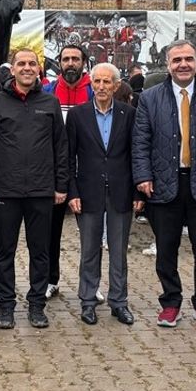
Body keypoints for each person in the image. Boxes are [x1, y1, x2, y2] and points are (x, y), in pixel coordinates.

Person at [132, 40, 196, 329]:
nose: (183, 64)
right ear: (167, 64)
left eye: (188, 59)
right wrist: (142, 176)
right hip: (163, 184)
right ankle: (170, 303)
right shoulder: (150, 98)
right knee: (166, 250)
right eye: (177, 59)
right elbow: (140, 142)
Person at [0, 48, 66, 329]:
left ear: (39, 69)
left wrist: (61, 185)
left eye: (32, 63)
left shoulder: (50, 102)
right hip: (6, 191)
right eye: (22, 63)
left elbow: (60, 147)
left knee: (40, 252)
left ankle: (37, 305)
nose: (27, 68)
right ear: (13, 69)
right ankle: (6, 306)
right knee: (3, 251)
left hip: (42, 191)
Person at [66, 63, 139, 326]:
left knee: (118, 252)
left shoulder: (129, 114)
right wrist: (72, 191)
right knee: (89, 250)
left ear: (116, 86)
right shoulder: (77, 115)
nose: (101, 87)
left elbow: (136, 154)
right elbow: (68, 157)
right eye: (96, 81)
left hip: (121, 191)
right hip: (87, 192)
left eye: (107, 82)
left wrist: (137, 191)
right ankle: (88, 301)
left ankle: (119, 302)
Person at [41, 44, 93, 299]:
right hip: (55, 174)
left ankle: (91, 284)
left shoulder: (95, 90)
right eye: (66, 59)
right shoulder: (47, 91)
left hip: (88, 173)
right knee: (50, 233)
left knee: (91, 234)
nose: (70, 63)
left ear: (84, 62)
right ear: (59, 63)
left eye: (75, 59)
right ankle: (51, 280)